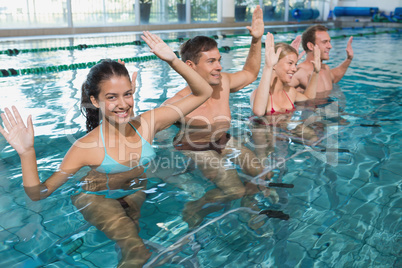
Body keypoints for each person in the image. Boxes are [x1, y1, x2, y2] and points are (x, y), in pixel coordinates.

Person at [0, 31, 213, 268]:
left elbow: (204, 92)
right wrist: (27, 152)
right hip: (97, 198)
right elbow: (39, 193)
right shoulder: (85, 147)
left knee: (131, 250)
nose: (123, 104)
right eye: (112, 97)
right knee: (137, 252)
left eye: (128, 94)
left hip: (134, 193)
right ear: (94, 101)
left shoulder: (148, 123)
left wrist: (172, 60)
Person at [161, 6, 270, 228]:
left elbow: (250, 74)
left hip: (222, 139)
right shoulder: (177, 103)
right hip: (193, 146)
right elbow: (150, 129)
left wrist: (256, 40)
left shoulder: (224, 83)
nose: (219, 66)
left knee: (262, 174)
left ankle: (248, 204)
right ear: (190, 66)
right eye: (211, 61)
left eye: (219, 59)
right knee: (234, 189)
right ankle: (196, 205)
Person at [250, 32, 321, 117]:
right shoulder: (258, 94)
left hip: (286, 130)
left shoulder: (290, 92)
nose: (295, 69)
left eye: (295, 64)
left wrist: (316, 72)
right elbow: (259, 112)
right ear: (275, 64)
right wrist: (268, 66)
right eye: (290, 63)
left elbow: (309, 99)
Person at [289, 24, 353, 95]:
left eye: (329, 42)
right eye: (324, 42)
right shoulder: (300, 72)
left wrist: (349, 59)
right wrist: (289, 61)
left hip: (330, 105)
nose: (330, 46)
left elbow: (334, 77)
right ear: (311, 46)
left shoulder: (325, 68)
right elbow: (277, 90)